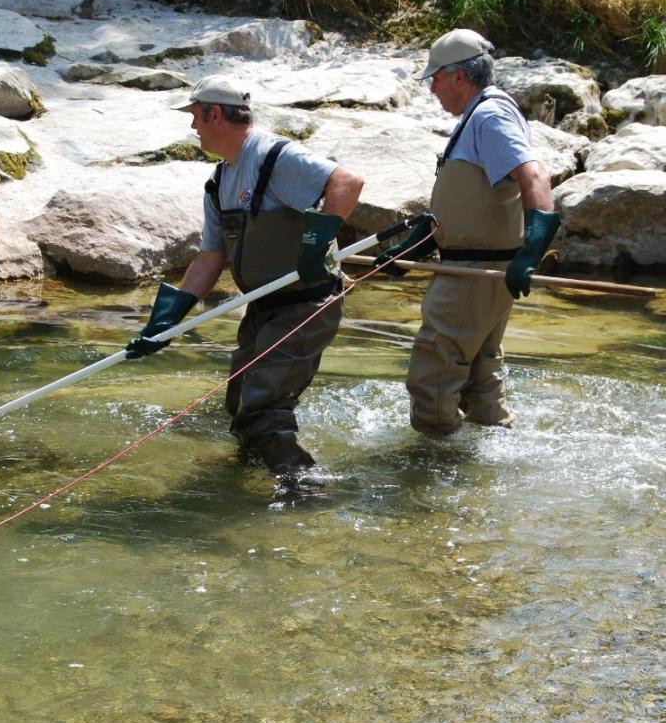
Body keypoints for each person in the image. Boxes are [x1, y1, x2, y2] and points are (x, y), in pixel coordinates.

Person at [126, 75, 364, 472]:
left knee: (263, 409)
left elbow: (347, 183)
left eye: (195, 118)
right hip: (262, 309)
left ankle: (302, 491)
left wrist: (315, 243)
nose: (192, 127)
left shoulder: (273, 156)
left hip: (304, 305)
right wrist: (167, 320)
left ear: (214, 114)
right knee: (239, 405)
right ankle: (250, 479)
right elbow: (209, 258)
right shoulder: (219, 181)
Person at [373, 29, 560, 436]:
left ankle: (434, 466)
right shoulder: (482, 115)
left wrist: (532, 253)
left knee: (432, 374)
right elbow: (470, 202)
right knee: (480, 373)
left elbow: (535, 176)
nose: (432, 89)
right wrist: (414, 247)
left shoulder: (489, 117)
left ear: (459, 76)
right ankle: (486, 457)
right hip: (480, 270)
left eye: (435, 79)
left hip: (473, 274)